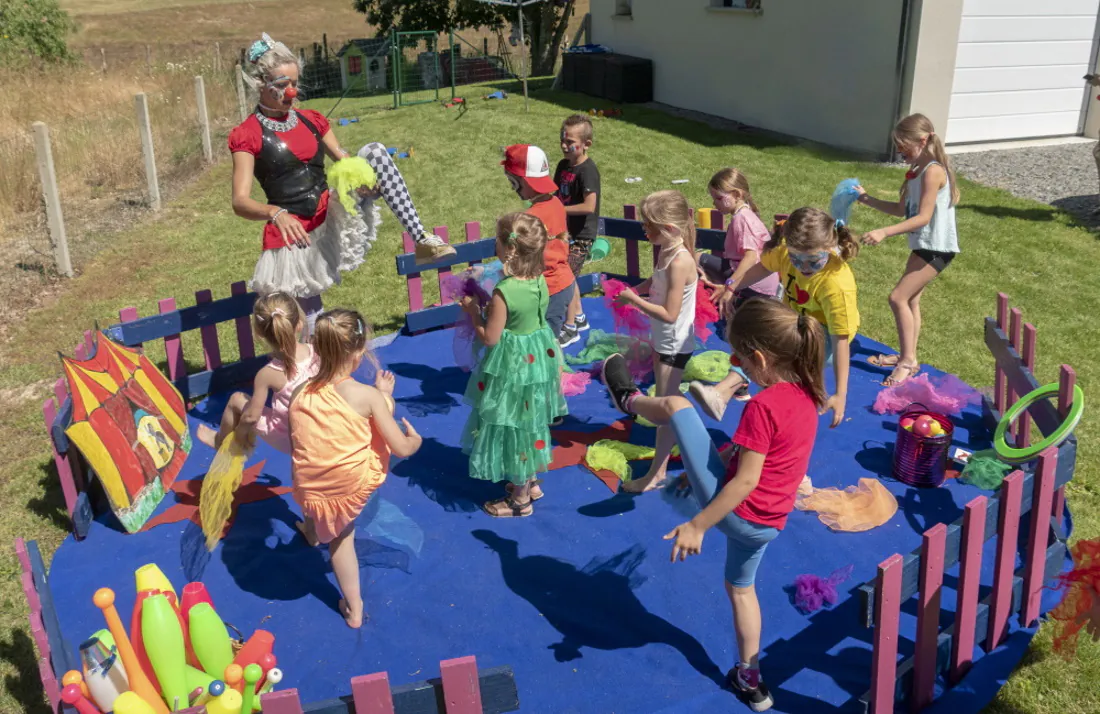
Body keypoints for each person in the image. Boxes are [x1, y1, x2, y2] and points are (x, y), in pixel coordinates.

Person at [600, 298, 827, 713]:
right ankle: (751, 680)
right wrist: (706, 467)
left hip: (739, 512)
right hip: (770, 524)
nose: (733, 363)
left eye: (738, 357)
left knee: (678, 405)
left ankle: (628, 400)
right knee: (742, 590)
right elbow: (758, 459)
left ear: (758, 359)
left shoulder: (762, 405)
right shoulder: (808, 398)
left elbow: (745, 480)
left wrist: (699, 524)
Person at [229, 33, 455, 331]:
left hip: (329, 210)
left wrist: (364, 183)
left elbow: (345, 161)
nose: (293, 93)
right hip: (293, 229)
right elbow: (240, 201)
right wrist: (275, 212)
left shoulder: (312, 119)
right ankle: (314, 368)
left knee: (373, 152)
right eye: (282, 86)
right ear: (261, 84)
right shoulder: (247, 134)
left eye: (296, 84)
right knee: (306, 314)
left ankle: (421, 238)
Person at [287, 308, 423, 628]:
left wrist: (380, 398)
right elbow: (401, 447)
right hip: (347, 485)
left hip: (307, 483)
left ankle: (312, 529)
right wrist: (412, 438)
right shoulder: (367, 396)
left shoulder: (298, 393)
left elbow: (304, 441)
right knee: (341, 538)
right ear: (359, 352)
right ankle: (355, 607)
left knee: (316, 479)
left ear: (317, 348)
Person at [690, 207, 859, 428]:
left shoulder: (836, 285)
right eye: (796, 259)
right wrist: (731, 287)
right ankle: (726, 393)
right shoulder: (786, 251)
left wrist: (841, 394)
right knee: (758, 339)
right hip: (794, 317)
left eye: (813, 261)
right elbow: (761, 269)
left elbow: (841, 342)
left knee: (781, 360)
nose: (803, 267)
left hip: (826, 333)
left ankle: (741, 400)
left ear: (830, 248)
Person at [459, 213, 568, 517]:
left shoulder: (503, 293)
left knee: (513, 424)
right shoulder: (539, 280)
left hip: (513, 367)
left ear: (508, 249)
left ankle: (520, 501)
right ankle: (531, 481)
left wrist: (473, 312)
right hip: (538, 359)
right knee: (531, 420)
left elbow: (490, 337)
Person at [854, 113, 960, 386]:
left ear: (923, 140)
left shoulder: (934, 171)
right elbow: (901, 210)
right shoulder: (915, 172)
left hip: (937, 247)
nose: (900, 151)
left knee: (897, 298)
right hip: (924, 245)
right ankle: (907, 355)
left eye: (904, 145)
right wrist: (866, 199)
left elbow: (923, 218)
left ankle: (907, 362)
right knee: (911, 300)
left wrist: (883, 232)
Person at [612, 190, 698, 493]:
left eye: (649, 226)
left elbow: (670, 313)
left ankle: (657, 472)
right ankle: (670, 455)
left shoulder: (680, 261)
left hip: (674, 343)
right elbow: (656, 281)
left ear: (671, 228)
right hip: (664, 340)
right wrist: (638, 288)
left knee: (664, 410)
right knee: (666, 404)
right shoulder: (667, 250)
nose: (644, 231)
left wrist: (635, 300)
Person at [691, 168, 780, 407]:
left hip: (754, 284)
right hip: (749, 279)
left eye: (719, 198)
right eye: (714, 198)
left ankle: (742, 384)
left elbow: (751, 257)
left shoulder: (743, 219)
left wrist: (730, 287)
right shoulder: (743, 214)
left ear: (737, 194)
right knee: (698, 259)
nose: (715, 203)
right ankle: (742, 380)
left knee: (741, 334)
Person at [196, 292, 319, 453]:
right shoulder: (317, 352)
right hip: (322, 429)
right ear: (300, 325)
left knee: (236, 400)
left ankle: (220, 441)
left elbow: (251, 417)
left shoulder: (267, 374)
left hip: (292, 439)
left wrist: (240, 434)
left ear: (259, 333)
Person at [501, 144, 576, 344]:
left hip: (547, 289)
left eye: (513, 182)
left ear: (522, 181)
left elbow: (520, 258)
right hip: (564, 283)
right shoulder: (556, 203)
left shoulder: (530, 218)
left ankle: (549, 375)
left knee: (544, 345)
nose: (512, 187)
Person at [554, 114, 601, 346]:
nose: (564, 145)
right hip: (565, 233)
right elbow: (555, 195)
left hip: (582, 235)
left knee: (566, 279)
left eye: (570, 142)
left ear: (586, 144)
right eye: (562, 140)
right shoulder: (563, 166)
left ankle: (570, 327)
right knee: (568, 276)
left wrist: (559, 209)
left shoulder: (588, 171)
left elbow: (589, 206)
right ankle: (580, 317)